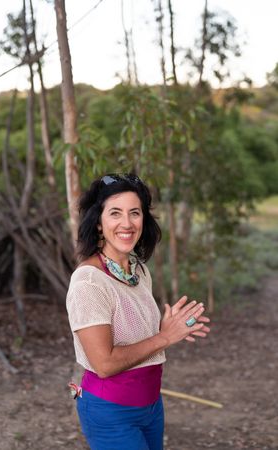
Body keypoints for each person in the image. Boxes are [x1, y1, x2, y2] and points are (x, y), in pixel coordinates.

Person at [66, 173, 211, 450]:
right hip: (110, 411)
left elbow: (135, 339)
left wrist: (169, 327)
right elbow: (104, 364)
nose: (127, 223)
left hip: (151, 405)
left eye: (135, 212)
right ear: (98, 223)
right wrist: (164, 338)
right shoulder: (89, 282)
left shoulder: (138, 271)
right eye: (115, 213)